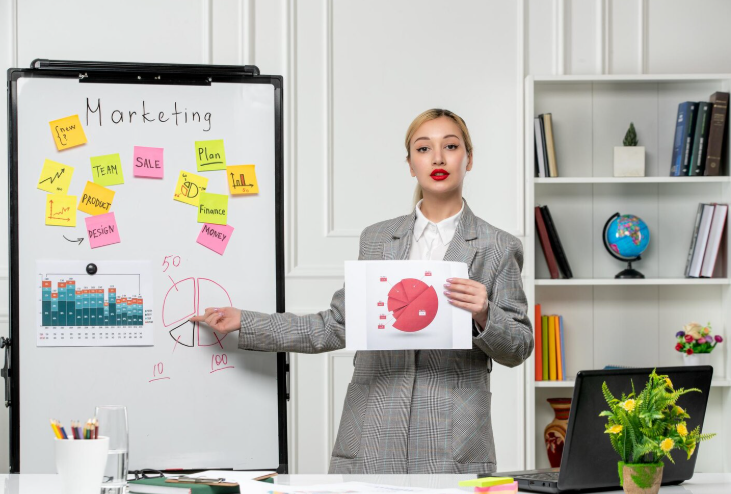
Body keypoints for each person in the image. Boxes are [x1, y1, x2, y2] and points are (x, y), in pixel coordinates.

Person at [191, 108, 533, 474]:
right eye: (423, 148)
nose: (437, 158)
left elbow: (518, 347)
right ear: (410, 163)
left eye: (450, 146)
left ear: (469, 158)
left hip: (453, 440)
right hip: (373, 430)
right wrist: (245, 321)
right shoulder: (377, 239)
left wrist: (485, 314)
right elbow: (335, 326)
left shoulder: (498, 246)